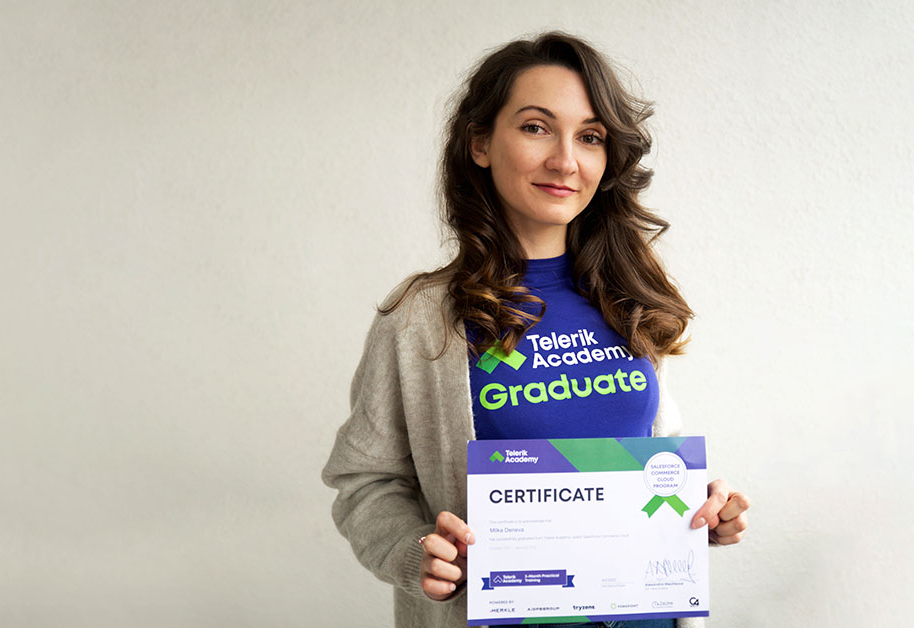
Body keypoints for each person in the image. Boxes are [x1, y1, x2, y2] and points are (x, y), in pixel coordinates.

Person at [322, 31, 751, 628]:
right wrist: (414, 550)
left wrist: (703, 511)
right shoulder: (423, 317)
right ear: (479, 143)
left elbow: (651, 464)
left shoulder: (628, 297)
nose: (565, 160)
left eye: (591, 136)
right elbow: (366, 478)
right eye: (535, 127)